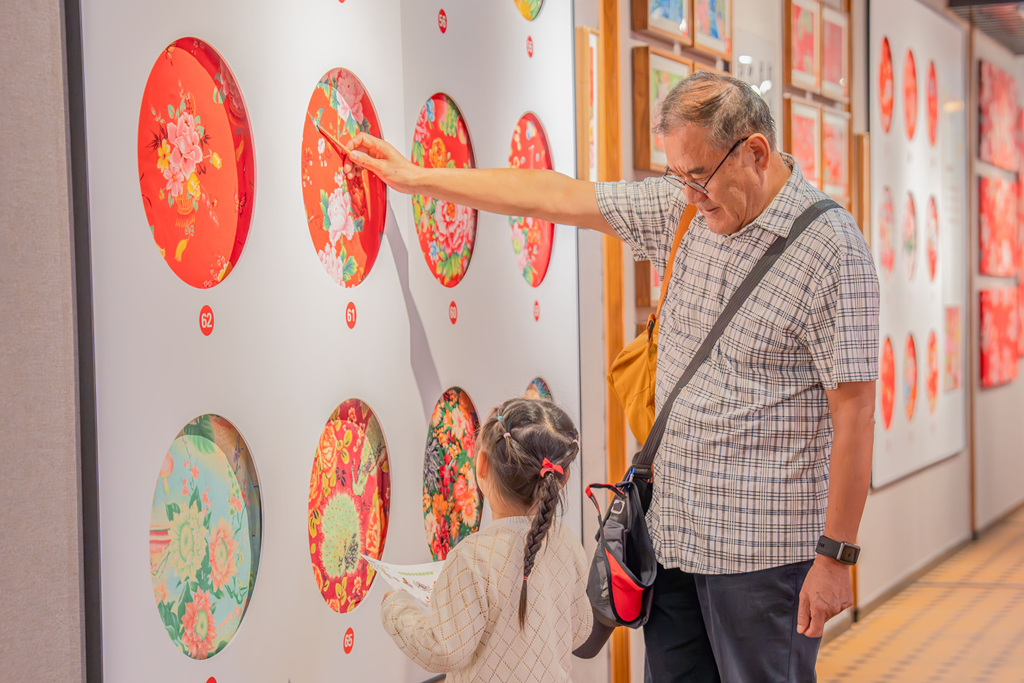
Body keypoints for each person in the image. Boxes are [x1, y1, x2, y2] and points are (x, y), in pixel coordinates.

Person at [357, 71, 879, 682]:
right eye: (677, 177)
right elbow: (552, 196)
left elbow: (855, 412)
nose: (690, 195)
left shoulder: (831, 249)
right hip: (671, 540)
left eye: (699, 176)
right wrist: (417, 178)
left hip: (762, 557)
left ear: (756, 153)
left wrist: (836, 556)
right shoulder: (681, 210)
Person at [380, 398, 593, 682]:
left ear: (481, 465)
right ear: (560, 479)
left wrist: (396, 608)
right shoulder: (568, 543)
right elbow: (581, 628)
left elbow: (442, 649)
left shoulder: (471, 557)